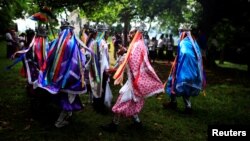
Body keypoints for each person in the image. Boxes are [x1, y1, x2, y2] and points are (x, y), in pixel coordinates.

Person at [101, 25, 164, 132]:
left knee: (121, 102)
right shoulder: (138, 44)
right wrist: (125, 52)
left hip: (134, 81)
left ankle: (114, 125)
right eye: (129, 33)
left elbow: (132, 61)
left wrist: (122, 57)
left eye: (132, 33)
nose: (129, 35)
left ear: (138, 34)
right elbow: (131, 56)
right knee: (132, 102)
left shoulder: (138, 45)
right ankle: (137, 123)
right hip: (132, 80)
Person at [162, 23, 206, 114]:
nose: (179, 32)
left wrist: (181, 62)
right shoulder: (193, 42)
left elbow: (186, 53)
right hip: (193, 70)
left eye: (180, 31)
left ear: (183, 32)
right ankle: (186, 106)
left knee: (173, 82)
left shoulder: (184, 42)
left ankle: (175, 103)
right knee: (185, 87)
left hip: (184, 70)